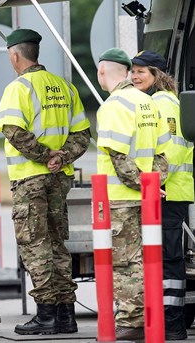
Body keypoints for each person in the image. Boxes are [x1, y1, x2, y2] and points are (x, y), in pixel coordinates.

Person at [0, 28, 91, 335]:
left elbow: (13, 130)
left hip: (30, 178)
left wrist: (42, 156)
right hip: (59, 178)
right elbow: (82, 135)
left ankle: (46, 315)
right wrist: (60, 158)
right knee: (57, 245)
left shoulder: (18, 88)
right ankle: (66, 315)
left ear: (15, 55)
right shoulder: (64, 87)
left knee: (35, 246)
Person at [96, 47, 171, 341]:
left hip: (120, 197)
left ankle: (132, 321)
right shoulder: (148, 103)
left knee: (125, 262)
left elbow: (117, 156)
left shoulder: (114, 105)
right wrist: (153, 185)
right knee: (144, 258)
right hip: (146, 197)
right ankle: (142, 318)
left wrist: (139, 184)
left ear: (103, 72)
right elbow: (162, 156)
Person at [131, 50, 193, 341]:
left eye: (141, 71)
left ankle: (173, 323)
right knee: (164, 257)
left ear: (157, 74)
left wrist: (156, 181)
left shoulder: (163, 102)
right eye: (132, 70)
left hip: (169, 191)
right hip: (166, 189)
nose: (134, 76)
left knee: (169, 259)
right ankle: (167, 321)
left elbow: (173, 148)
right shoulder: (157, 101)